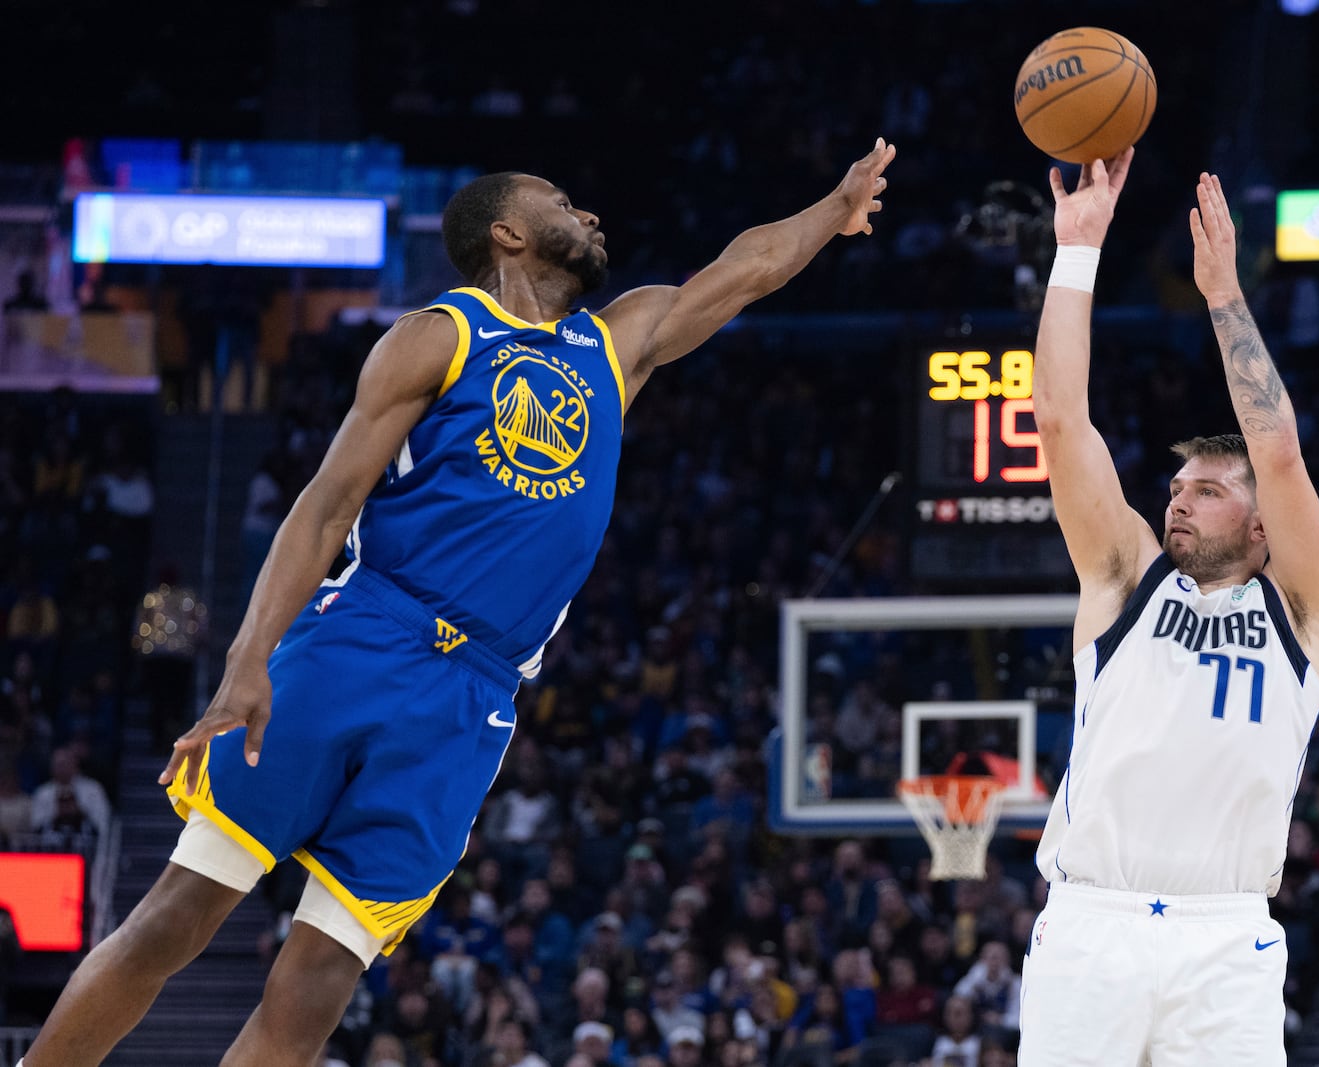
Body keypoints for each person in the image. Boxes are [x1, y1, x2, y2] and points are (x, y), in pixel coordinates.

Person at [21, 137, 895, 1066]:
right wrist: (244, 667)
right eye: (562, 198)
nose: (589, 214)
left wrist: (832, 210)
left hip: (476, 696)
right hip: (365, 635)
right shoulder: (440, 335)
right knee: (178, 914)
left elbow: (742, 271)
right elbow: (323, 506)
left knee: (319, 980)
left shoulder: (614, 342)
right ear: (509, 232)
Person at [1017, 153, 1319, 1067]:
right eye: (1175, 486)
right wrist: (1076, 252)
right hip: (1093, 923)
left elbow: (1278, 452)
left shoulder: (1303, 608)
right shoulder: (1127, 575)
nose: (1178, 501)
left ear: (1258, 522)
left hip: (1227, 935)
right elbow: (1058, 417)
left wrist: (1222, 296)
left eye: (1205, 488)